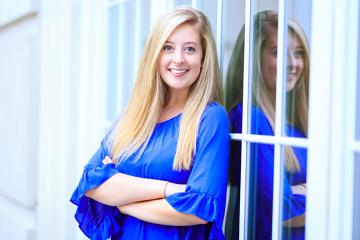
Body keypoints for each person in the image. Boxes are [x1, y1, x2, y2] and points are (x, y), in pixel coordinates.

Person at [70, 6, 230, 240]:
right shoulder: (135, 116)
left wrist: (122, 202)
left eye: (190, 49)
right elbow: (90, 182)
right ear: (155, 55)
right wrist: (168, 190)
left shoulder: (210, 118)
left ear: (204, 58)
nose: (178, 59)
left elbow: (199, 208)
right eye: (168, 47)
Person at [224, 10, 309, 240]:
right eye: (279, 52)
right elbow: (280, 208)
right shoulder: (250, 119)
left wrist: (301, 192)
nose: (293, 64)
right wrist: (321, 191)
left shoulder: (296, 123)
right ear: (254, 59)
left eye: (299, 53)